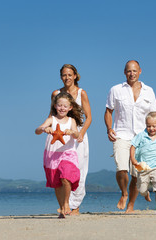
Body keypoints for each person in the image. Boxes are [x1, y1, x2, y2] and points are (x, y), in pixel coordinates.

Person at [104, 60, 156, 213]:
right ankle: (124, 193)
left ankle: (131, 206)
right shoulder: (116, 90)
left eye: (134, 71)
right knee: (121, 168)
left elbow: (155, 114)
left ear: (140, 71)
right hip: (121, 134)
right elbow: (108, 111)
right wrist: (109, 128)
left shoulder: (149, 91)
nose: (132, 73)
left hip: (142, 138)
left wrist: (155, 135)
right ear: (124, 72)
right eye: (129, 71)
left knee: (137, 174)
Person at [51, 64, 92, 215]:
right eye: (64, 75)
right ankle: (64, 205)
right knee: (60, 170)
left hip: (78, 136)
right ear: (61, 77)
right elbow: (52, 115)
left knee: (79, 170)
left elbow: (89, 117)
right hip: (60, 135)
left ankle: (75, 206)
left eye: (69, 75)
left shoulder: (82, 93)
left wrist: (81, 133)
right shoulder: (56, 93)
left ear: (75, 76)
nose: (67, 78)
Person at [35, 92, 83, 218]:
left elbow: (78, 135)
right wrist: (44, 129)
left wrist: (72, 132)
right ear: (55, 106)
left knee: (66, 177)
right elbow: (38, 130)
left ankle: (67, 203)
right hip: (52, 154)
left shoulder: (71, 121)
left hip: (68, 153)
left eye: (65, 106)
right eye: (59, 105)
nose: (62, 108)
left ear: (70, 108)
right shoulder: (51, 119)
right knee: (57, 183)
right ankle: (62, 208)